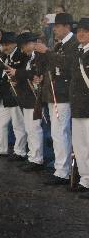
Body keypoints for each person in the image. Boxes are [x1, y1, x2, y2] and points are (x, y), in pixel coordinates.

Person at [34, 13, 77, 185]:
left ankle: (63, 171)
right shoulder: (60, 44)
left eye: (57, 26)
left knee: (61, 133)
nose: (54, 29)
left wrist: (48, 52)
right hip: (54, 94)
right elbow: (49, 66)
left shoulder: (73, 44)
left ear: (67, 26)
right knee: (57, 133)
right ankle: (61, 169)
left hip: (63, 95)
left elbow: (68, 64)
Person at [7, 32, 45, 171]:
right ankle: (32, 156)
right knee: (30, 128)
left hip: (36, 98)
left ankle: (36, 159)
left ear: (32, 43)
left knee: (34, 129)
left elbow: (35, 74)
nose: (22, 50)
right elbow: (28, 76)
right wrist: (17, 80)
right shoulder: (28, 58)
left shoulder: (40, 57)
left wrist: (17, 73)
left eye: (24, 46)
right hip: (27, 98)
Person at [0, 32, 28, 159]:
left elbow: (22, 73)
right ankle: (1, 149)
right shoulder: (5, 56)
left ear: (14, 44)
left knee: (18, 125)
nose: (4, 47)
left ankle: (20, 151)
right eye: (3, 45)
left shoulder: (21, 56)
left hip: (15, 95)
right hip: (4, 95)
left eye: (6, 44)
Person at [64, 17, 89, 198]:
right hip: (78, 106)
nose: (81, 33)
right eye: (79, 30)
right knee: (80, 147)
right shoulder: (78, 51)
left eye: (86, 31)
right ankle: (85, 180)